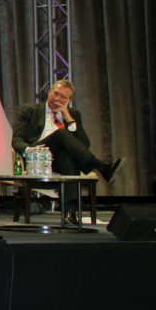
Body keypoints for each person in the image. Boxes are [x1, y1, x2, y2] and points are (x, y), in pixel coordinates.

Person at [11, 79, 122, 224]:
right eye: (56, 93)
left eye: (63, 97)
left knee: (69, 157)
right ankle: (101, 167)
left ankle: (70, 214)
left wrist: (68, 119)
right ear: (49, 92)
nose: (58, 99)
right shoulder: (30, 110)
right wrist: (30, 150)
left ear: (68, 101)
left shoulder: (73, 114)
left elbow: (83, 146)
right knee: (61, 133)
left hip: (59, 162)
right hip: (37, 157)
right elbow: (17, 140)